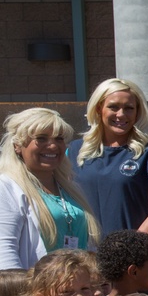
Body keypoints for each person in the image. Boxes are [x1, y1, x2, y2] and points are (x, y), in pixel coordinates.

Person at [69, 78, 148, 285]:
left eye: (129, 108)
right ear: (99, 109)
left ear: (137, 112)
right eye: (113, 107)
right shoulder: (73, 151)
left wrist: (128, 250)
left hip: (136, 262)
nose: (121, 115)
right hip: (85, 260)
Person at [0, 108, 101, 269]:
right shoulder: (6, 187)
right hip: (35, 291)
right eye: (41, 138)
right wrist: (18, 293)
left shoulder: (71, 188)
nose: (53, 146)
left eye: (59, 139)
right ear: (18, 146)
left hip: (78, 290)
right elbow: (4, 250)